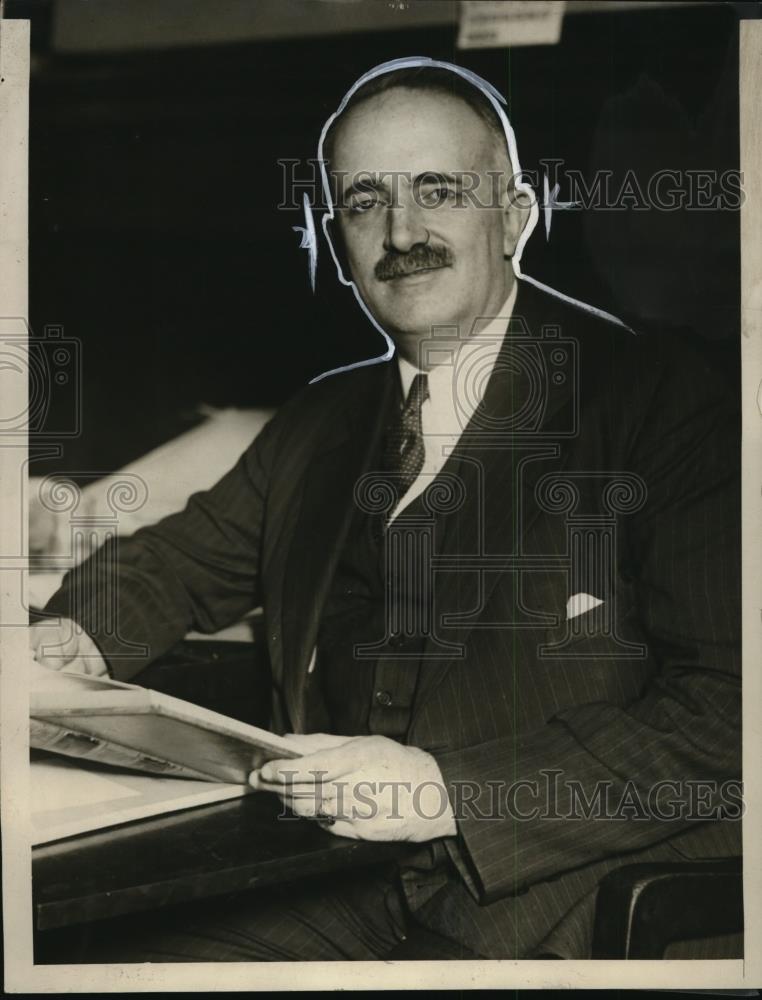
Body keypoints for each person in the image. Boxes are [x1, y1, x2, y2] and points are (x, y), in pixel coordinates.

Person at [31, 60, 741, 960]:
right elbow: (178, 561)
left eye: (437, 190)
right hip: (343, 878)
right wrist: (63, 647)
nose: (402, 231)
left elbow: (731, 712)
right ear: (338, 243)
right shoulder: (325, 418)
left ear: (516, 217)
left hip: (561, 897)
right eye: (366, 202)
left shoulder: (662, 399)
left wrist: (450, 790)